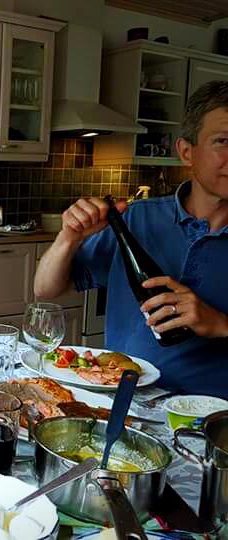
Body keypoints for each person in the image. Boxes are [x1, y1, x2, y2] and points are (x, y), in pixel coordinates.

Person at [34, 80, 228, 398]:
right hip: (125, 402)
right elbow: (45, 289)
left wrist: (220, 323)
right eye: (223, 141)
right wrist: (68, 239)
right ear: (186, 152)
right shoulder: (137, 218)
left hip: (214, 418)